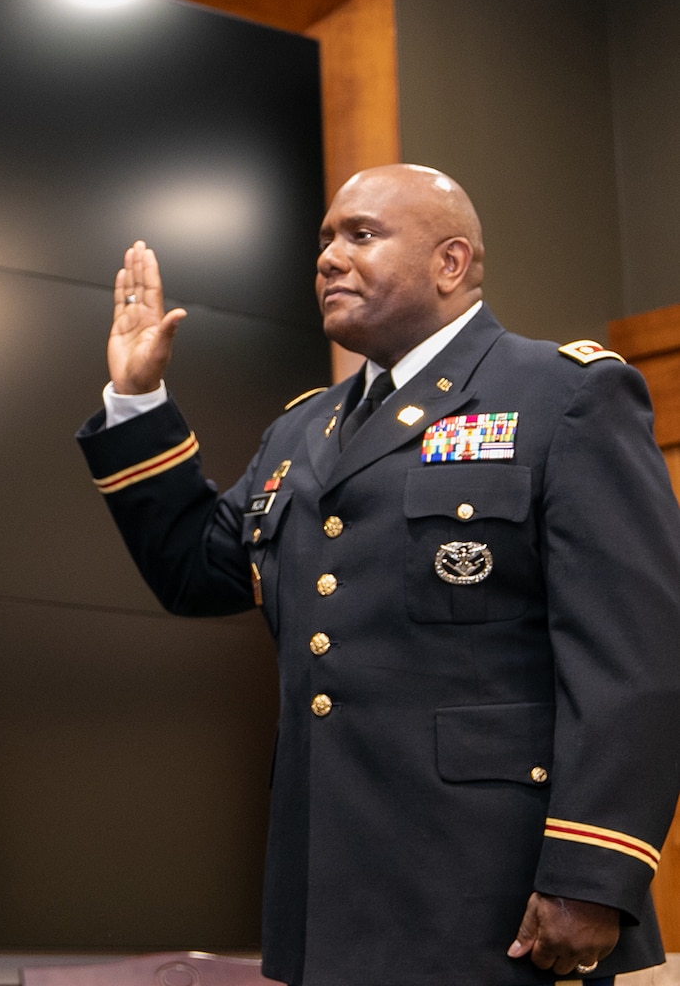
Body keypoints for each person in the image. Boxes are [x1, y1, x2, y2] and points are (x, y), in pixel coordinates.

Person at [76, 164, 680, 986]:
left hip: (498, 900)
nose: (328, 256)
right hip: (332, 894)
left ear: (451, 263)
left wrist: (593, 873)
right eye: (324, 239)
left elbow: (636, 659)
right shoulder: (303, 430)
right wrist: (137, 400)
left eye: (360, 235)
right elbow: (198, 571)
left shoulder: (561, 397)